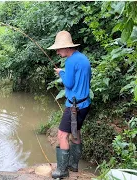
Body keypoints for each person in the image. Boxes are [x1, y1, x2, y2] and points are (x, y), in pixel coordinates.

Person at [47, 30, 91, 179]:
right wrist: (64, 71)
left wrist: (61, 73)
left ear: (67, 47)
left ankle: (62, 170)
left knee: (62, 135)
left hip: (74, 106)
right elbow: (80, 77)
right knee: (76, 132)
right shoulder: (83, 58)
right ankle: (74, 164)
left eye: (59, 49)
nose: (57, 52)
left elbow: (69, 83)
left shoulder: (70, 61)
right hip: (85, 104)